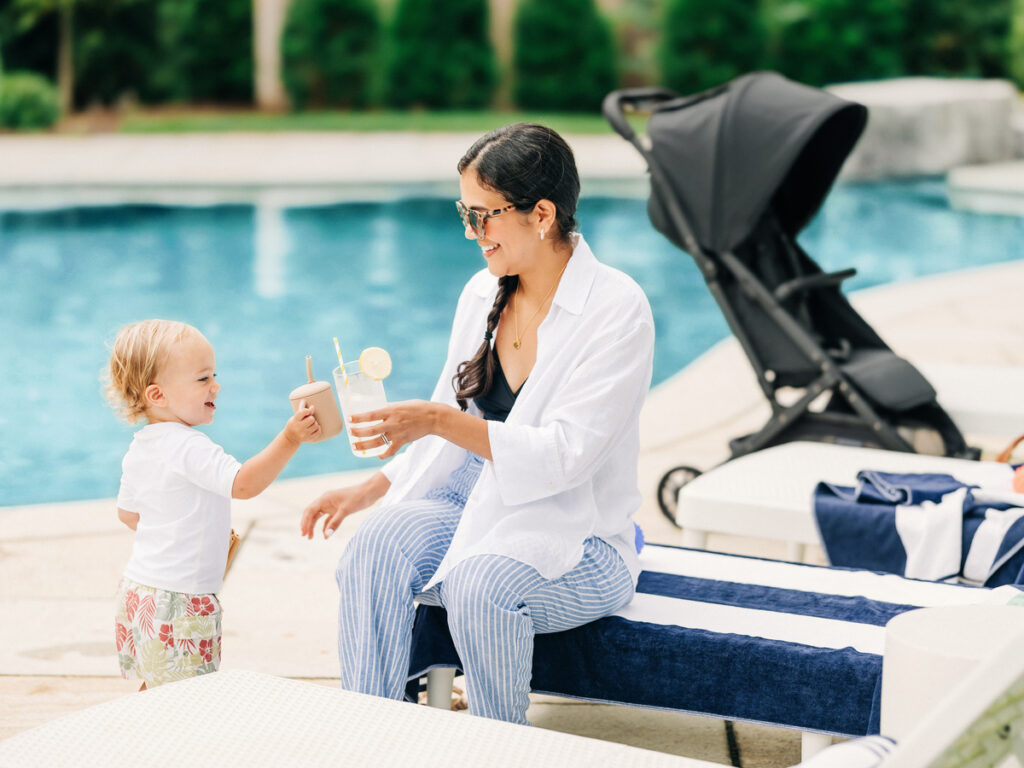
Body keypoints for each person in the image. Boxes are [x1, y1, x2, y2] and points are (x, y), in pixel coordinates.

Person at [300, 123, 655, 724]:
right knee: (371, 551)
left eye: (484, 215)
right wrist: (369, 488)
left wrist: (438, 420)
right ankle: (371, 738)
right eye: (465, 213)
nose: (472, 232)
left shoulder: (616, 310)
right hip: (474, 502)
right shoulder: (481, 292)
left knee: (478, 590)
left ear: (541, 214)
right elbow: (438, 436)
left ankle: (497, 749)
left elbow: (565, 457)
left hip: (580, 532)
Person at [105, 319, 321, 689]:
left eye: (213, 375)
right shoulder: (189, 446)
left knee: (157, 688)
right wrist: (290, 437)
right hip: (181, 604)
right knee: (188, 700)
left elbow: (128, 514)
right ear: (158, 395)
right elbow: (244, 483)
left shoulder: (140, 446)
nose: (216, 386)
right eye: (203, 379)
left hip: (139, 592)